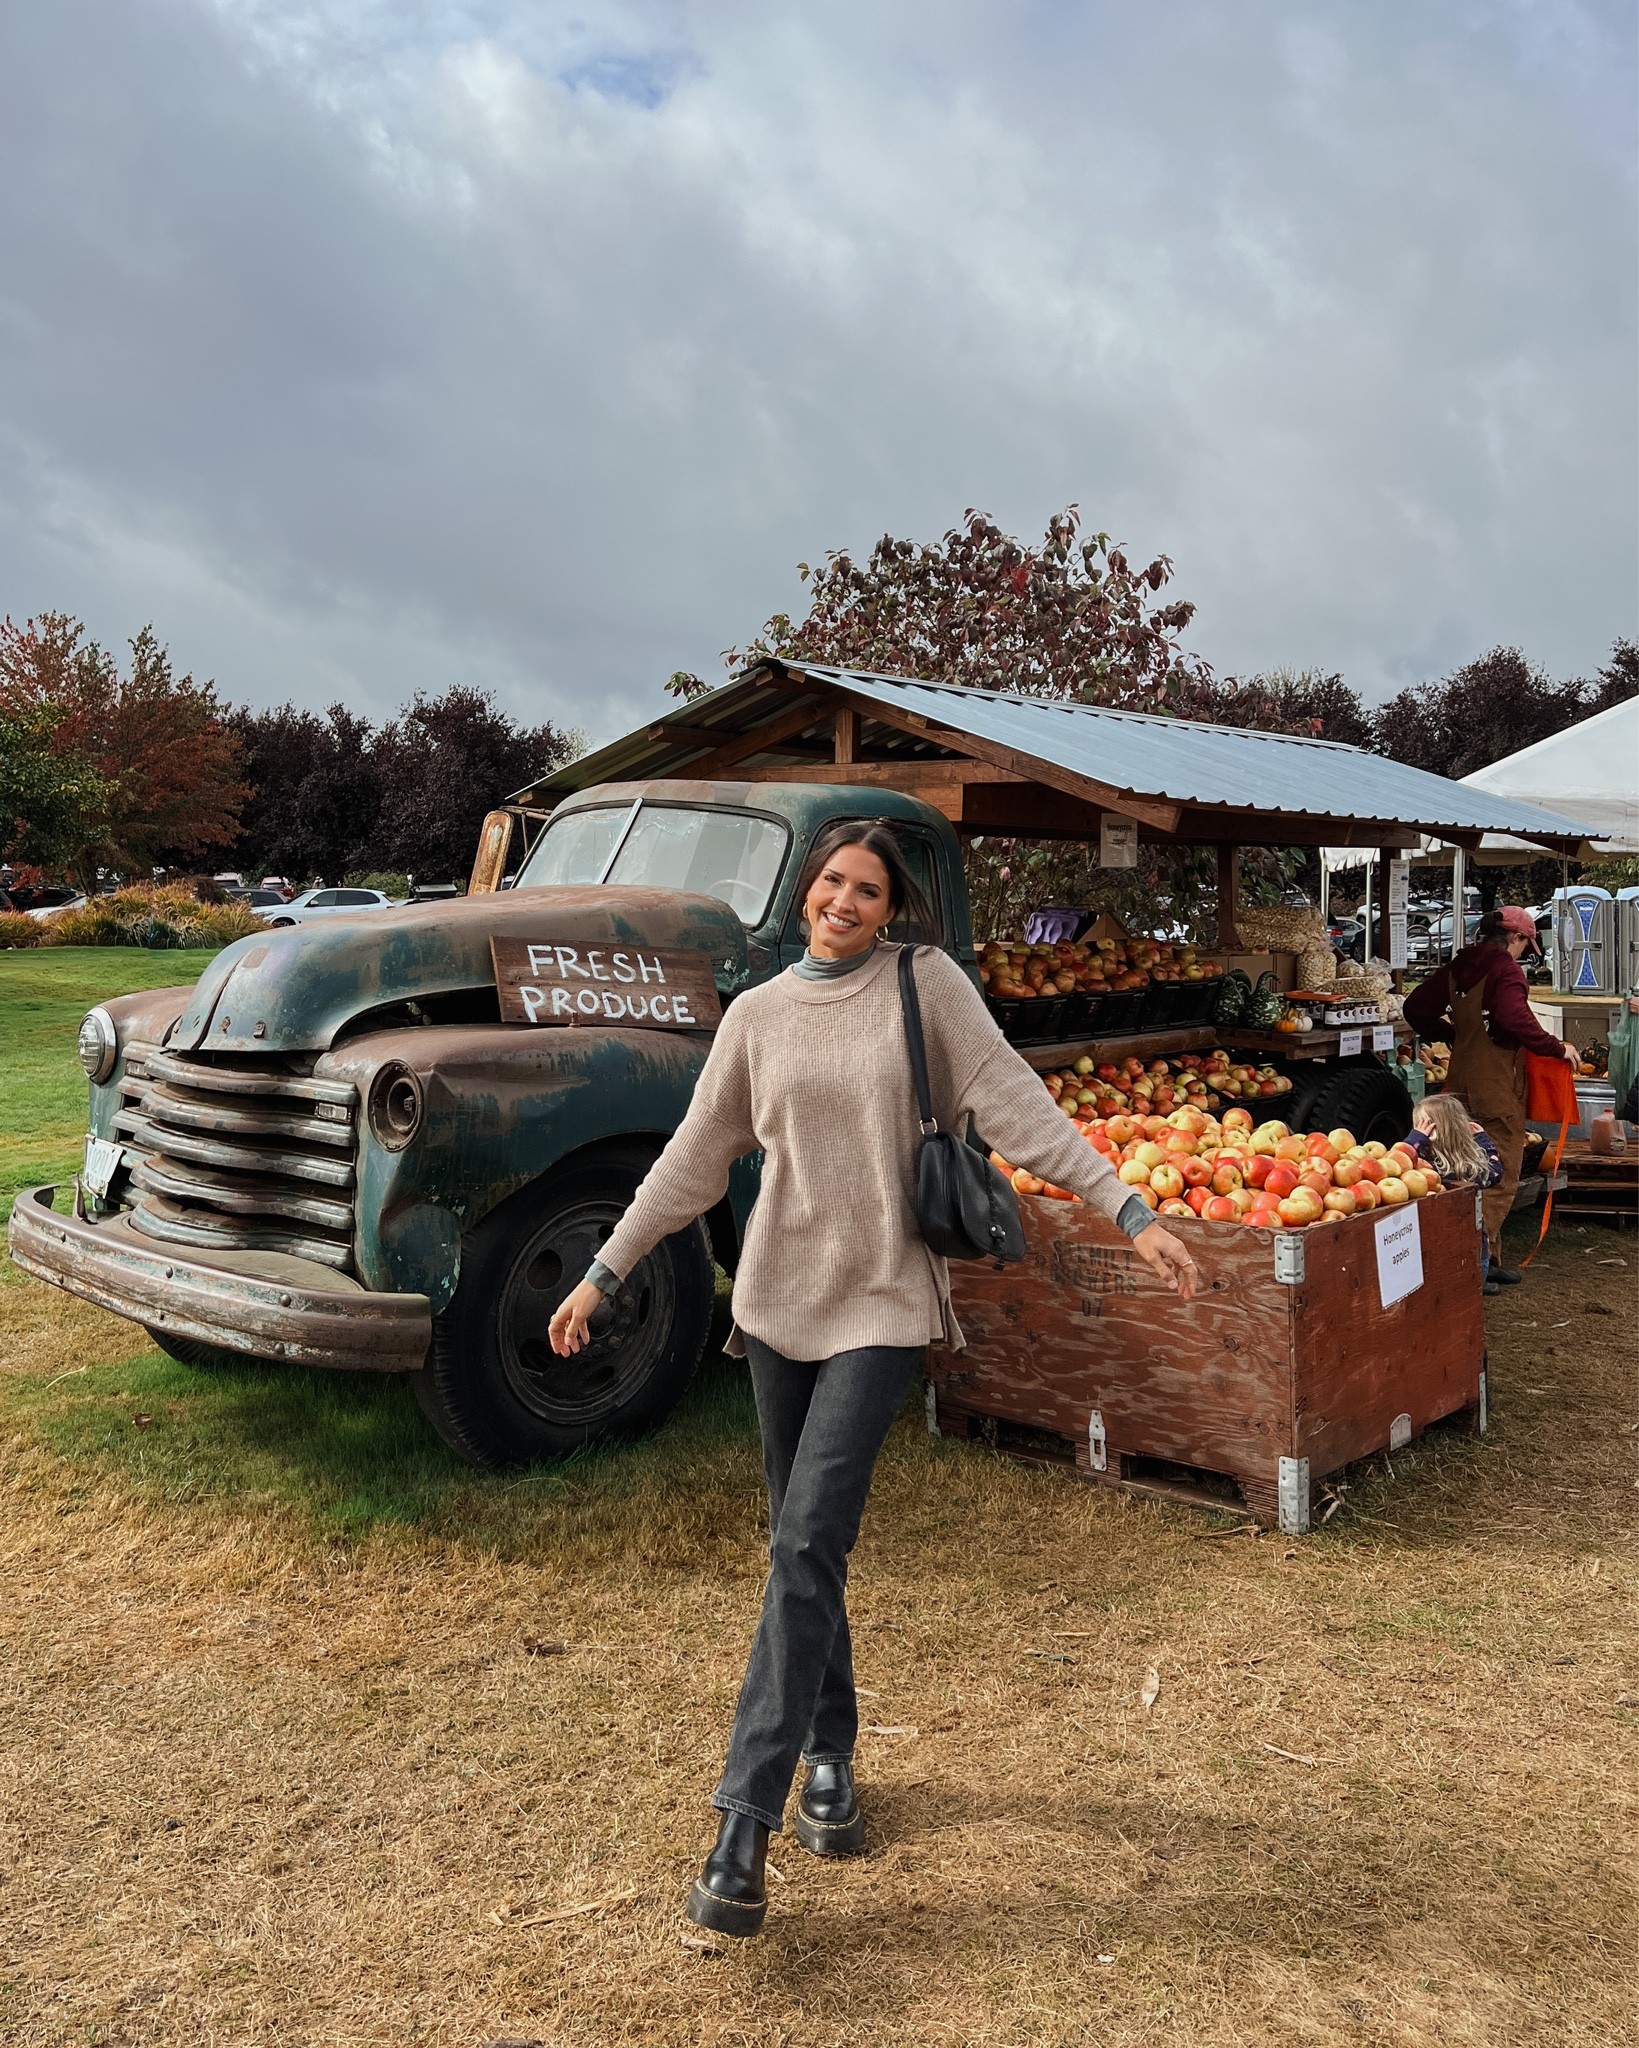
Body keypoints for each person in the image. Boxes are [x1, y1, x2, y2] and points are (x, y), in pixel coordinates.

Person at [547, 820, 1201, 1939]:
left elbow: (1016, 1105)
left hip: (882, 1302)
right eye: (832, 882)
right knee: (801, 1539)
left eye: (868, 889)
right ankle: (832, 1754)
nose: (845, 900)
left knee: (808, 1540)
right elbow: (694, 1156)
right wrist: (603, 1270)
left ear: (890, 909)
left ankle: (742, 1822)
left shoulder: (923, 984)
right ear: (808, 892)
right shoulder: (754, 1017)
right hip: (775, 1300)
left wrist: (1128, 1209)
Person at [1403, 904, 1578, 1287]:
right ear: (1514, 938)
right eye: (1523, 946)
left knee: (1459, 1168)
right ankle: (1474, 1263)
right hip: (1496, 1088)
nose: (1523, 956)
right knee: (1500, 1175)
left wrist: (1451, 1035)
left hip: (1459, 1081)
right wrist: (1555, 1047)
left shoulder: (1459, 964)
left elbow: (1414, 1007)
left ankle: (1489, 1256)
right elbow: (1515, 1017)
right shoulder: (1505, 970)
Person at [1405, 1093, 1504, 1290]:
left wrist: (1414, 1140)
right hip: (1473, 1250)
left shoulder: (1430, 1168)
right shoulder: (1472, 1165)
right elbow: (1495, 1172)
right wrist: (1485, 1143)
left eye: (1421, 1126)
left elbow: (1399, 1161)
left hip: (1438, 1249)